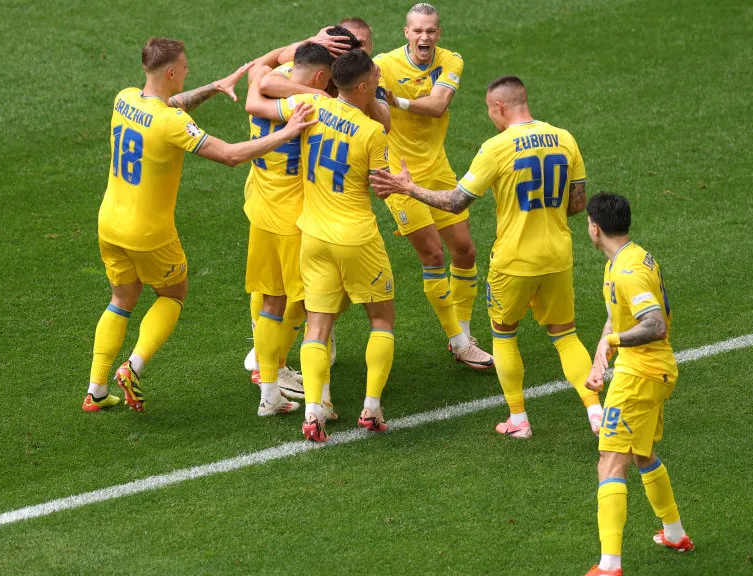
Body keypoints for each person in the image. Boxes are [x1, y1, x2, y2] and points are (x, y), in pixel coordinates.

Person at [82, 37, 315, 413]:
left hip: (109, 225)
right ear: (171, 72)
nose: (188, 70)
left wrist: (214, 87)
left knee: (121, 300)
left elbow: (167, 105)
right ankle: (134, 366)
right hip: (149, 233)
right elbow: (230, 155)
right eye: (185, 67)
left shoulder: (124, 98)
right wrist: (286, 133)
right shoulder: (171, 123)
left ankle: (95, 389)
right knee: (172, 295)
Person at [370, 75, 603, 437]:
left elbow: (456, 202)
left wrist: (409, 187)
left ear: (499, 106)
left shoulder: (496, 148)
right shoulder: (564, 138)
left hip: (513, 261)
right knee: (566, 336)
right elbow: (576, 204)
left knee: (504, 336)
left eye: (489, 110)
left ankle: (519, 420)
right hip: (558, 256)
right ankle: (595, 412)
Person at [246, 50, 394, 442]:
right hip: (356, 238)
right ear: (362, 86)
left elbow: (259, 96)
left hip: (312, 235)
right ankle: (371, 408)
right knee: (381, 319)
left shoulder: (310, 105)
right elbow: (383, 188)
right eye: (375, 77)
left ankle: (315, 411)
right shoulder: (371, 132)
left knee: (316, 324)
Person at [373, 3, 492, 369]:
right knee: (434, 256)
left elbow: (439, 105)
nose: (424, 37)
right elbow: (374, 110)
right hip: (399, 174)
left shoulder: (451, 60)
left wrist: (396, 100)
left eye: (430, 31)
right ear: (406, 33)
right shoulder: (383, 65)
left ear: (438, 33)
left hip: (437, 168)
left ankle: (465, 333)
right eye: (418, 31)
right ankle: (459, 342)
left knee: (465, 251)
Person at [582, 193, 694, 576]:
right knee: (641, 453)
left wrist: (613, 342)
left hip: (640, 376)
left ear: (595, 228)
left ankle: (609, 566)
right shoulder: (626, 258)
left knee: (610, 460)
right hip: (651, 371)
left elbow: (654, 324)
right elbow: (619, 317)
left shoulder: (627, 271)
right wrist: (601, 355)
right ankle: (675, 533)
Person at [241, 42, 336, 416]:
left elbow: (258, 72)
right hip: (294, 221)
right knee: (317, 309)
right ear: (319, 76)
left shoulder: (268, 82)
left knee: (270, 303)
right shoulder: (308, 105)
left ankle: (269, 394)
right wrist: (318, 95)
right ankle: (319, 400)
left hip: (261, 211)